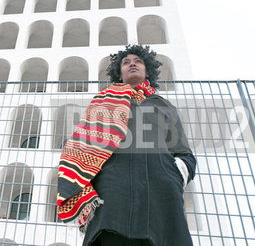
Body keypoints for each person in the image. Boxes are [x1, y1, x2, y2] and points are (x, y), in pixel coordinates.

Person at [57, 44, 196, 246]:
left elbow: (184, 154)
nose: (132, 64)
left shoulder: (164, 106)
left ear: (147, 70)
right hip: (113, 193)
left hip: (161, 194)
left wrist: (174, 174)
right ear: (119, 73)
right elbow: (83, 145)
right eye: (126, 62)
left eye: (137, 61)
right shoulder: (103, 102)